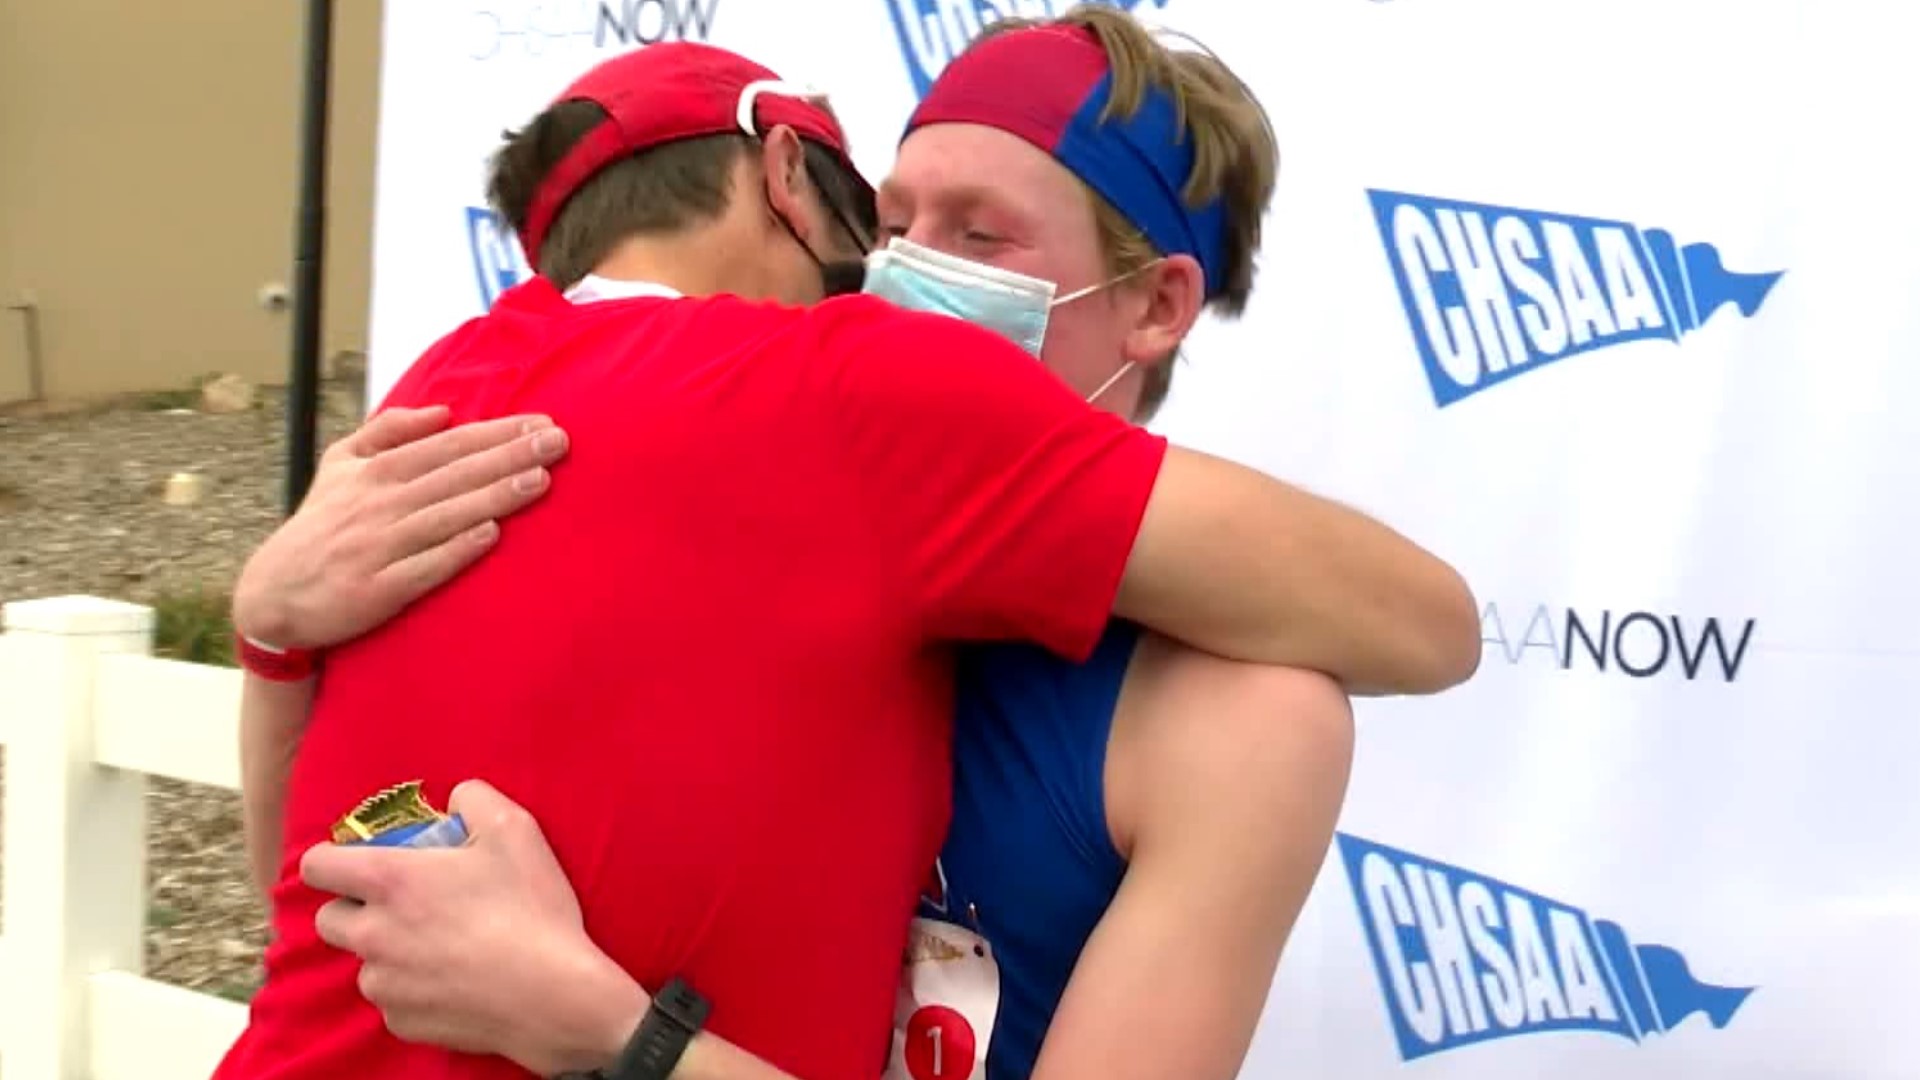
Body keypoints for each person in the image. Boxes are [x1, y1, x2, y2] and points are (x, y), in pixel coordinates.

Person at [218, 30, 1479, 1080]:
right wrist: (275, 630)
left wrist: (613, 1035)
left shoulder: (1236, 715)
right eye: (891, 220)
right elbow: (323, 897)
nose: (899, 273)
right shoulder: (779, 481)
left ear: (1153, 307)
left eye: (979, 239)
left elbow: (1431, 627)